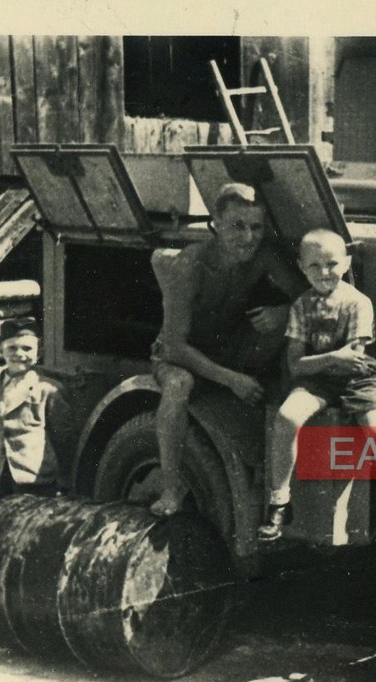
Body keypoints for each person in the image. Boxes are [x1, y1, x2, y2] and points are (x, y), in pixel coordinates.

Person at [258, 229, 376, 558]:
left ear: (345, 263)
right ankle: (279, 502)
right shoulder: (301, 306)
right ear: (302, 268)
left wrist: (319, 361)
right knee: (287, 416)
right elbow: (295, 364)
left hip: (359, 380)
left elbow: (352, 359)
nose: (324, 273)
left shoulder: (358, 303)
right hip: (320, 380)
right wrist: (329, 358)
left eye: (331, 263)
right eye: (314, 266)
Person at [149, 182, 304, 516]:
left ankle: (280, 451)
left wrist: (284, 310)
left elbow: (306, 296)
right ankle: (172, 489)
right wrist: (231, 379)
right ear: (216, 224)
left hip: (228, 347)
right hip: (183, 358)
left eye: (256, 227)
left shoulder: (261, 255)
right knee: (178, 387)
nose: (248, 237)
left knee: (290, 327)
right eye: (237, 226)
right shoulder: (190, 265)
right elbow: (175, 345)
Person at [0, 317, 72, 503]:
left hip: (35, 477)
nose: (19, 354)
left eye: (27, 348)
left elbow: (64, 438)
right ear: (0, 350)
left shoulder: (47, 388)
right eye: (12, 348)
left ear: (39, 352)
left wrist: (64, 481)